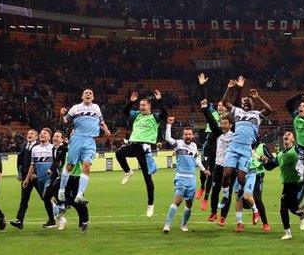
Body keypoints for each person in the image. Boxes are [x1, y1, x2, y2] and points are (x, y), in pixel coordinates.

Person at [217, 78, 274, 228]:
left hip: (246, 150)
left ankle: (253, 209)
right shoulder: (237, 112)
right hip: (234, 147)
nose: (245, 102)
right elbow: (224, 102)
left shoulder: (257, 114)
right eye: (244, 101)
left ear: (253, 104)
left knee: (242, 179)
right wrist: (229, 88)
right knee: (227, 173)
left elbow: (270, 110)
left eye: (248, 101)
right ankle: (225, 197)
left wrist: (258, 97)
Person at [116, 89, 166, 217]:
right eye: (140, 105)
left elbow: (164, 114)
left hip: (145, 149)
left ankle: (150, 204)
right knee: (119, 153)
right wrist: (130, 102)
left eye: (143, 105)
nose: (141, 107)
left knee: (147, 179)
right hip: (133, 145)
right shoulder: (137, 114)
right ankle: (128, 171)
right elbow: (125, 112)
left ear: (149, 106)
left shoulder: (154, 117)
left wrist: (160, 100)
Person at [58, 88, 111, 204]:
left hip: (90, 140)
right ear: (82, 97)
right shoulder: (75, 108)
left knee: (86, 166)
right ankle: (61, 190)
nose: (88, 94)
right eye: (86, 93)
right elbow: (64, 122)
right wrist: (61, 115)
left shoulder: (96, 108)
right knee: (70, 166)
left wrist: (106, 130)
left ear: (93, 97)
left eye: (90, 93)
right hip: (77, 138)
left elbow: (102, 122)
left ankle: (80, 195)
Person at [261, 132, 304, 240]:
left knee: (293, 207)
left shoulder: (297, 150)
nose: (286, 135)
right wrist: (264, 161)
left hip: (299, 183)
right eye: (285, 135)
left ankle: (303, 215)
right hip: (287, 184)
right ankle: (288, 233)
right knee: (283, 209)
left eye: (289, 134)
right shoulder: (280, 155)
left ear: (293, 139)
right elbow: (270, 167)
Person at [163, 120, 210, 233]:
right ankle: (167, 225)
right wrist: (169, 124)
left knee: (189, 203)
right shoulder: (178, 144)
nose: (188, 136)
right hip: (180, 177)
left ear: (193, 135)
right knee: (178, 200)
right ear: (183, 135)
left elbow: (196, 159)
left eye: (190, 134)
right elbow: (168, 138)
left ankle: (183, 225)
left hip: (191, 179)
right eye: (186, 134)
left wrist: (204, 170)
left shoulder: (194, 146)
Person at [200, 99, 235, 226]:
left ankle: (223, 217)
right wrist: (205, 108)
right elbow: (211, 120)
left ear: (230, 125)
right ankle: (214, 211)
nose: (223, 125)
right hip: (218, 166)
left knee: (228, 191)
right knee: (215, 189)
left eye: (225, 123)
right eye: (222, 123)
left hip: (231, 167)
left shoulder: (235, 135)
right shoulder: (217, 133)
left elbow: (234, 110)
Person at [196, 73, 228, 211]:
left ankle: (206, 198)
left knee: (213, 173)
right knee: (204, 169)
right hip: (209, 143)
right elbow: (204, 103)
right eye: (219, 105)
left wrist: (229, 89)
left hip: (219, 147)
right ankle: (202, 187)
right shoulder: (213, 114)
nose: (220, 107)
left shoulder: (228, 119)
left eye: (222, 105)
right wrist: (202, 86)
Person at [22, 127, 56, 228]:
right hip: (40, 179)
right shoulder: (35, 149)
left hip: (50, 178)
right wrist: (27, 179)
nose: (42, 135)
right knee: (46, 199)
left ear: (49, 137)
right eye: (41, 133)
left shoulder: (53, 148)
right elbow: (32, 165)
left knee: (50, 198)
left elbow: (57, 163)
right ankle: (52, 220)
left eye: (45, 133)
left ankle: (57, 216)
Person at [10, 129, 39, 229]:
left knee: (45, 197)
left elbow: (40, 162)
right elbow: (19, 161)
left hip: (36, 177)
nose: (29, 135)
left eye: (32, 134)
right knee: (24, 200)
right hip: (25, 178)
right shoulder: (23, 146)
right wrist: (20, 174)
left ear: (36, 137)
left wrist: (36, 174)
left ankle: (56, 215)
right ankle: (19, 221)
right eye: (28, 133)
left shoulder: (39, 147)